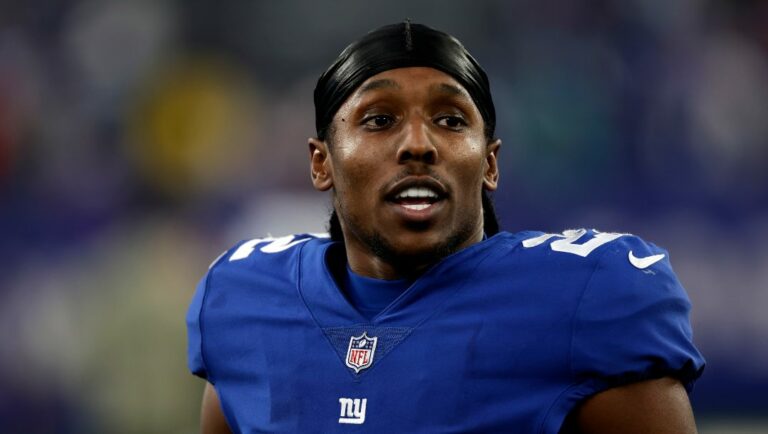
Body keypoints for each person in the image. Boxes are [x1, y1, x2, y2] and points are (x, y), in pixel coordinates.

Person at [186, 22, 705, 433]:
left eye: (451, 120)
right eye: (379, 119)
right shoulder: (244, 299)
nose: (418, 144)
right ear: (322, 163)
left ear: (490, 164)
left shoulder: (588, 295)